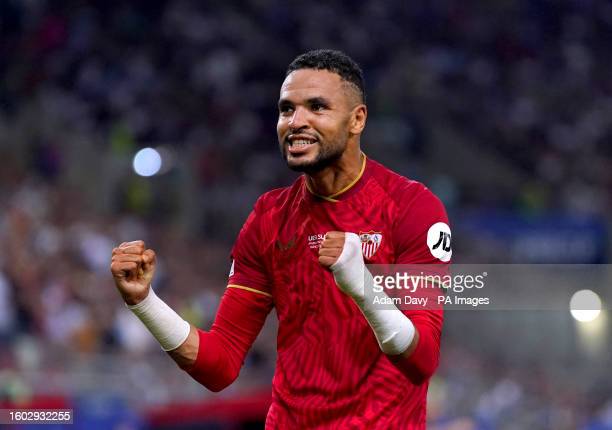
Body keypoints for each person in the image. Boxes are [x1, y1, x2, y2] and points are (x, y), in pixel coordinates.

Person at [110, 49, 452, 429]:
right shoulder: (269, 218)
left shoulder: (412, 208)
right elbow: (219, 364)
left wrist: (361, 285)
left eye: (316, 107)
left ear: (357, 119)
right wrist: (144, 302)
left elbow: (422, 360)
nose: (296, 121)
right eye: (287, 109)